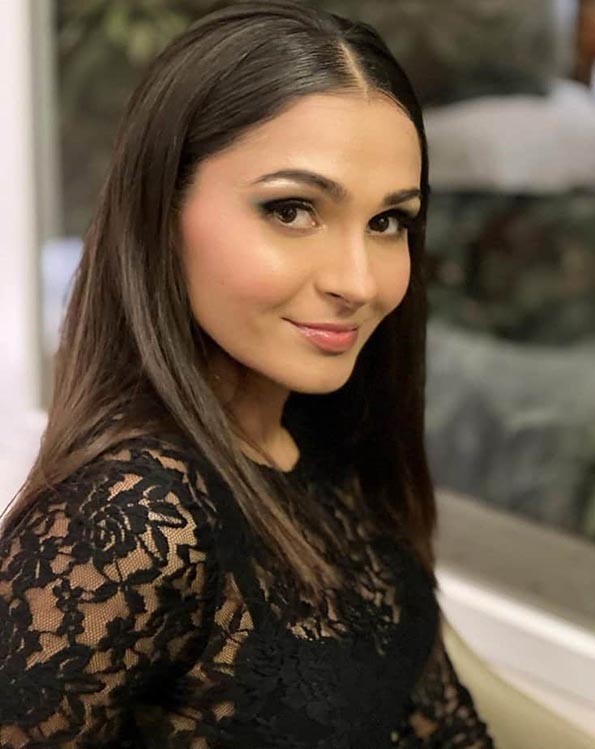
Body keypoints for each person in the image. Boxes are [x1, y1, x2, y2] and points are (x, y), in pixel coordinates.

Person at [0, 1, 496, 746]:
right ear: (160, 211)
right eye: (292, 210)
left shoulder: (332, 448)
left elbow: (436, 722)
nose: (358, 281)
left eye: (388, 221)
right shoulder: (135, 520)